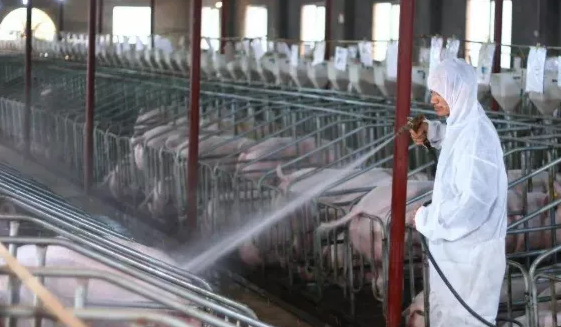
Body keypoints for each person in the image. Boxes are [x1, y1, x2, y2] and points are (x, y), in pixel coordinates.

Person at [408, 58, 508, 327]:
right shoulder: (462, 124)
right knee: (444, 318)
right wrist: (433, 132)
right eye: (432, 91)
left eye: (439, 92)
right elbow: (457, 140)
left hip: (472, 261)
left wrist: (425, 218)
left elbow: (472, 206)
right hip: (456, 257)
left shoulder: (478, 137)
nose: (432, 99)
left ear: (458, 91)